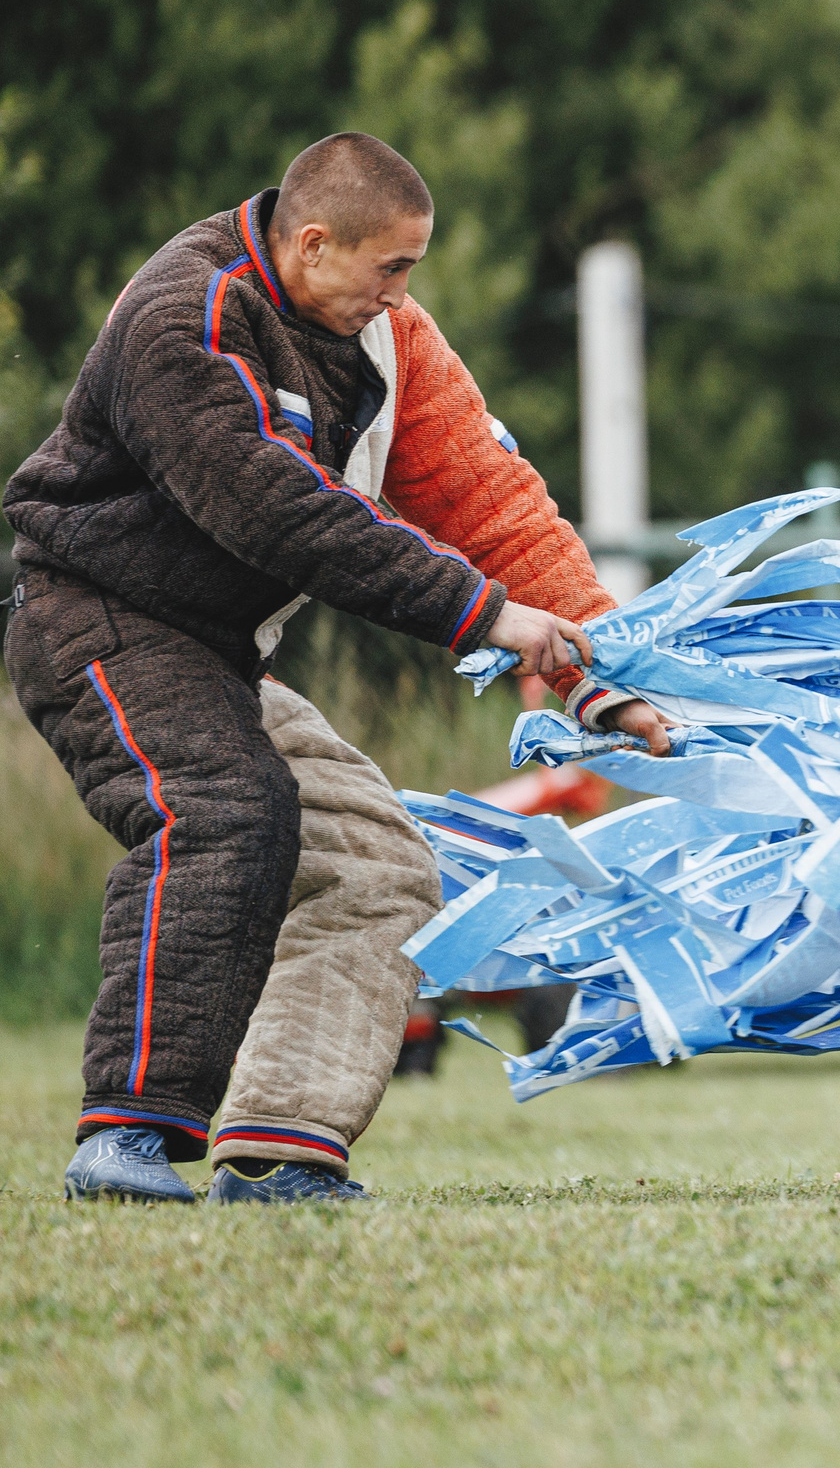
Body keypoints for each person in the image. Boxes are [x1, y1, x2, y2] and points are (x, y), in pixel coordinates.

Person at [5, 133, 673, 1204]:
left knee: (378, 866)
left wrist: (603, 666)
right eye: (392, 269)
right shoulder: (184, 317)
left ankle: (280, 1149)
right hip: (100, 621)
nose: (405, 295)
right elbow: (281, 514)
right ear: (313, 243)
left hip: (220, 655)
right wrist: (484, 618)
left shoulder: (388, 335)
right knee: (226, 806)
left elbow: (488, 499)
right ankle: (126, 1133)